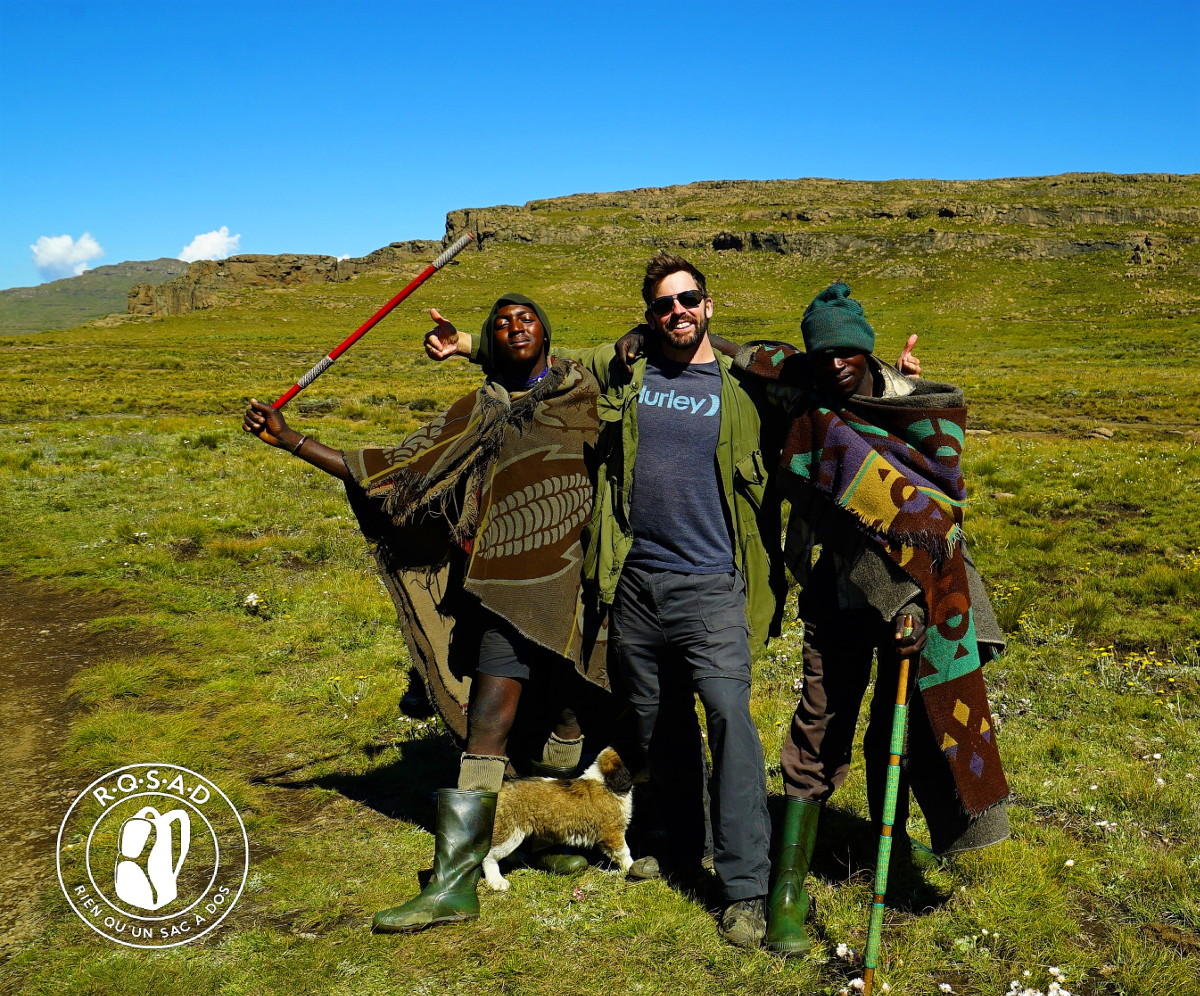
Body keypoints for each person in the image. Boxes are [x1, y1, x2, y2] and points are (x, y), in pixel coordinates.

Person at [427, 254, 788, 948]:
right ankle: (683, 848)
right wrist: (470, 344)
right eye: (662, 305)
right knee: (661, 730)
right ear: (650, 314)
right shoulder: (627, 365)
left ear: (708, 306)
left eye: (687, 301)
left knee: (729, 723)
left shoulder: (744, 384)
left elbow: (823, 386)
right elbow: (541, 360)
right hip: (634, 587)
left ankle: (744, 887)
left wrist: (888, 382)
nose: (675, 313)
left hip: (712, 587)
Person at [244, 293, 614, 934]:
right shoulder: (478, 409)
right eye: (501, 324)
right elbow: (400, 471)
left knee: (575, 715)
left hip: (583, 588)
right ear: (491, 346)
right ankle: (453, 881)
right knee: (488, 725)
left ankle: (559, 840)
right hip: (504, 589)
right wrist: (293, 440)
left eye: (526, 319)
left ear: (548, 337)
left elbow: (645, 359)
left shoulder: (583, 391)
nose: (514, 327)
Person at [728, 283, 1010, 956]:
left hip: (915, 595)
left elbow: (937, 493)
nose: (835, 364)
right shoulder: (799, 396)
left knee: (900, 724)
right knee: (819, 723)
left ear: (866, 345)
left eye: (847, 351)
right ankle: (789, 890)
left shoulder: (897, 401)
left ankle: (895, 859)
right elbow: (744, 356)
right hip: (834, 590)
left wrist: (914, 597)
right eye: (823, 353)